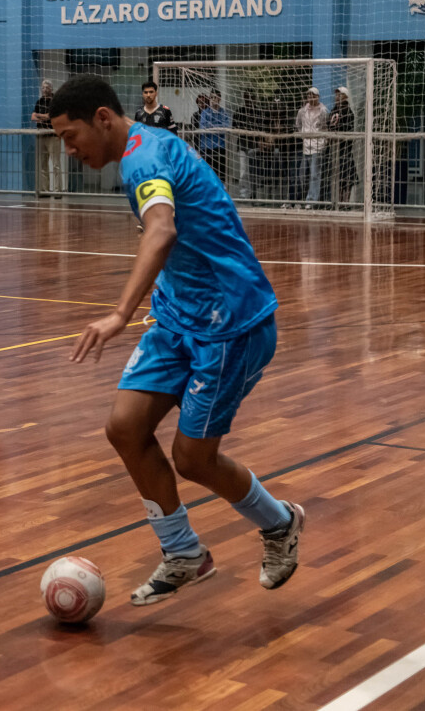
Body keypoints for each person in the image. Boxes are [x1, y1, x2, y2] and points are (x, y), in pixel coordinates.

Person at [48, 75, 303, 606]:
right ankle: (184, 553)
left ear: (102, 118)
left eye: (71, 136)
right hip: (179, 317)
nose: (69, 151)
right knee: (124, 426)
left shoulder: (142, 157)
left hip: (231, 323)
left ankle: (279, 523)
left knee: (192, 458)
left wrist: (120, 313)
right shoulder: (142, 149)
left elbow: (161, 230)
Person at [294, 87, 327, 208]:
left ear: (318, 97)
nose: (311, 98)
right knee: (302, 175)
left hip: (317, 146)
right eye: (309, 95)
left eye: (313, 95)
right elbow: (298, 124)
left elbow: (324, 126)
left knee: (314, 175)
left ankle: (311, 201)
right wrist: (303, 136)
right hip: (306, 146)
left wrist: (323, 141)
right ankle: (301, 199)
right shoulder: (302, 111)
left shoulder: (323, 110)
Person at [31, 79, 63, 197]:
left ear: (51, 89)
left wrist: (42, 116)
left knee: (55, 165)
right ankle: (44, 190)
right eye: (43, 87)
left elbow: (51, 116)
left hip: (53, 136)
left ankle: (57, 191)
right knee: (43, 164)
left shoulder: (56, 101)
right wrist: (43, 117)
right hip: (41, 135)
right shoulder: (39, 102)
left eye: (47, 87)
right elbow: (33, 117)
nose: (44, 89)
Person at [327, 86, 358, 204]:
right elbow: (330, 124)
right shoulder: (334, 110)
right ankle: (339, 201)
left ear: (345, 97)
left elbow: (348, 128)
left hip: (345, 148)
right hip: (335, 148)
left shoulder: (348, 111)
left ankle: (346, 201)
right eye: (336, 95)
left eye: (340, 95)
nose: (337, 97)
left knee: (347, 176)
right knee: (338, 176)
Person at [199, 90, 231, 184]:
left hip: (219, 147)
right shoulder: (205, 113)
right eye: (211, 97)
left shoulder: (223, 113)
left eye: (215, 97)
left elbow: (225, 127)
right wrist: (217, 126)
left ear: (219, 99)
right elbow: (203, 128)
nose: (213, 100)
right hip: (206, 147)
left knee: (220, 175)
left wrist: (212, 127)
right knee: (207, 174)